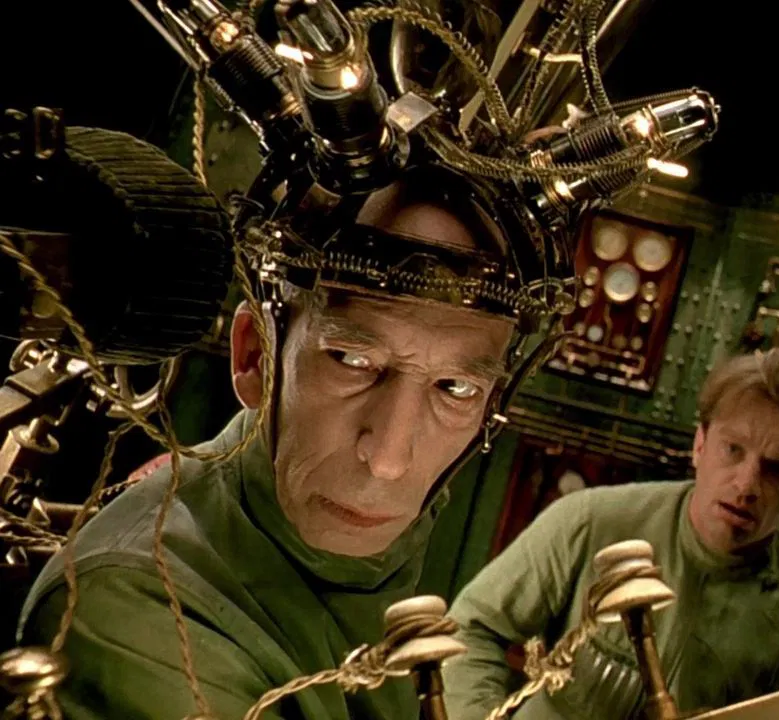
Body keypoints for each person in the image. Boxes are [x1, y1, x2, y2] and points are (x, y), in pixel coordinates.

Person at [18, 169, 540, 719]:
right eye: (351, 361)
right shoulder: (134, 613)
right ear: (255, 356)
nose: (388, 458)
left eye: (455, 388)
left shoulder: (380, 556)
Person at [442, 348, 779, 720]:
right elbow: (473, 628)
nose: (746, 485)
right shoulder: (592, 522)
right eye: (733, 450)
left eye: (777, 470)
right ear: (700, 445)